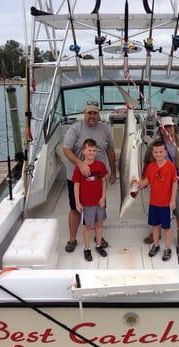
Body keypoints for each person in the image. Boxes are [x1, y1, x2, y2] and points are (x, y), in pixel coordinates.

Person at [63, 101, 116, 253]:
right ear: (84, 113)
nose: (92, 116)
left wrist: (114, 172)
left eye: (95, 113)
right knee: (75, 208)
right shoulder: (75, 128)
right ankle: (72, 239)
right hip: (77, 176)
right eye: (89, 113)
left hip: (98, 178)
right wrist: (80, 164)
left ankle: (98, 237)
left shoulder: (105, 129)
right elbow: (66, 149)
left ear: (98, 114)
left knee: (99, 206)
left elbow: (111, 151)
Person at [143, 116, 179, 252]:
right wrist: (143, 180)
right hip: (159, 183)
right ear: (161, 129)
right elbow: (147, 163)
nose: (168, 129)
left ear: (174, 127)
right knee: (158, 208)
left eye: (170, 126)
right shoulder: (154, 145)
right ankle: (156, 232)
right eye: (165, 127)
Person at [135, 140, 178, 261]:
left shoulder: (170, 166)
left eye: (161, 152)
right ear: (153, 154)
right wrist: (137, 183)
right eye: (156, 152)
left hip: (166, 204)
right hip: (153, 203)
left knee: (167, 228)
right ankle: (156, 245)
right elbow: (145, 182)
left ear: (165, 152)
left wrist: (172, 200)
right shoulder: (150, 167)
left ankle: (167, 248)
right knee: (155, 226)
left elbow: (174, 183)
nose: (158, 154)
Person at [73, 139, 108, 261]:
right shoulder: (79, 168)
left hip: (99, 202)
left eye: (94, 150)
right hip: (86, 203)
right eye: (89, 150)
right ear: (83, 151)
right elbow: (76, 185)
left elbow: (103, 181)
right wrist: (77, 202)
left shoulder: (100, 166)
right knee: (88, 227)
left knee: (99, 224)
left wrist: (103, 197)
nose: (91, 152)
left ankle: (98, 245)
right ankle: (87, 249)